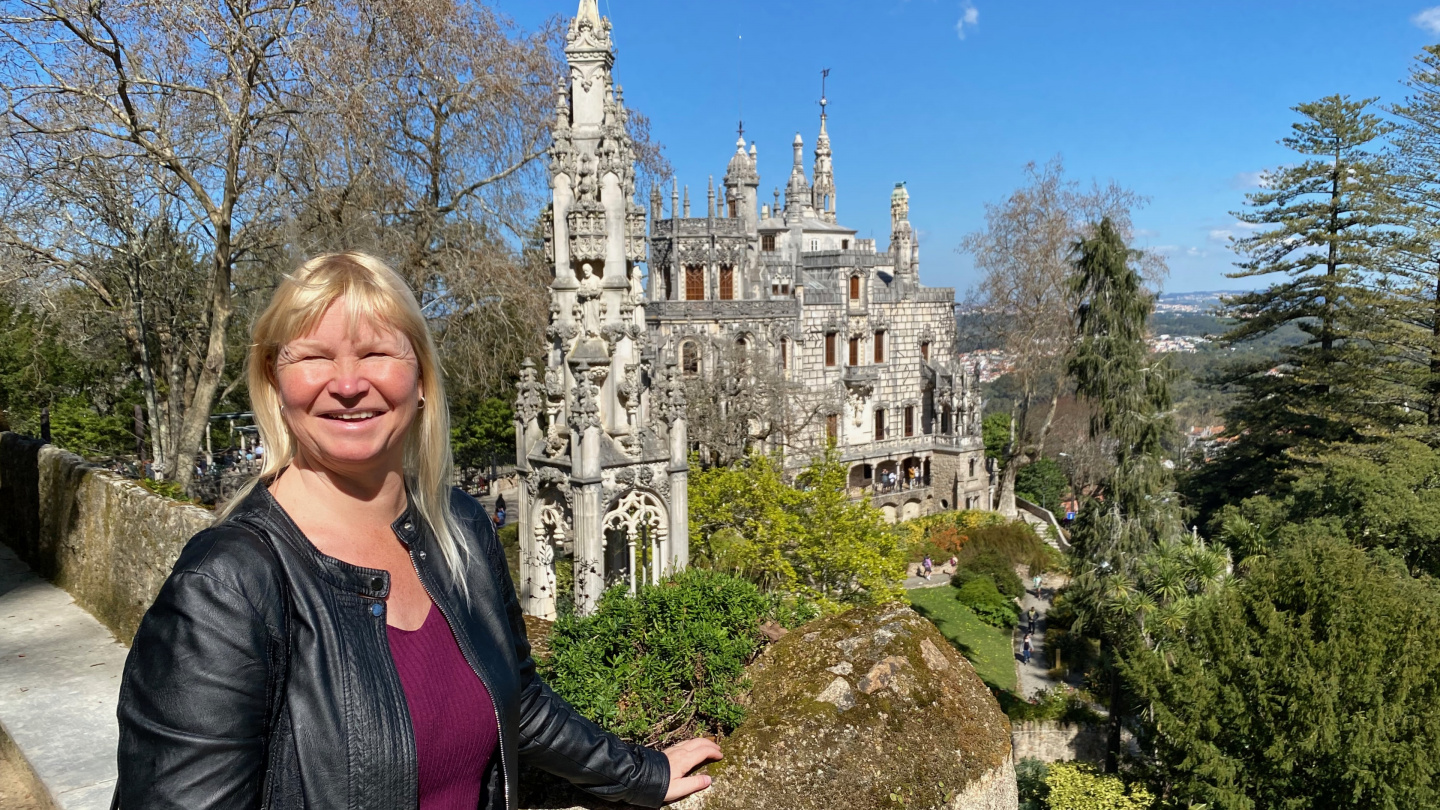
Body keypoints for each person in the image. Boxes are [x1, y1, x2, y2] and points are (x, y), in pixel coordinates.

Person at [114, 253, 720, 809]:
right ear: (274, 381)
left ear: (423, 379)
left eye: (377, 353)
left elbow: (520, 704)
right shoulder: (224, 584)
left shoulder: (457, 526)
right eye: (314, 356)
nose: (348, 384)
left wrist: (641, 773)